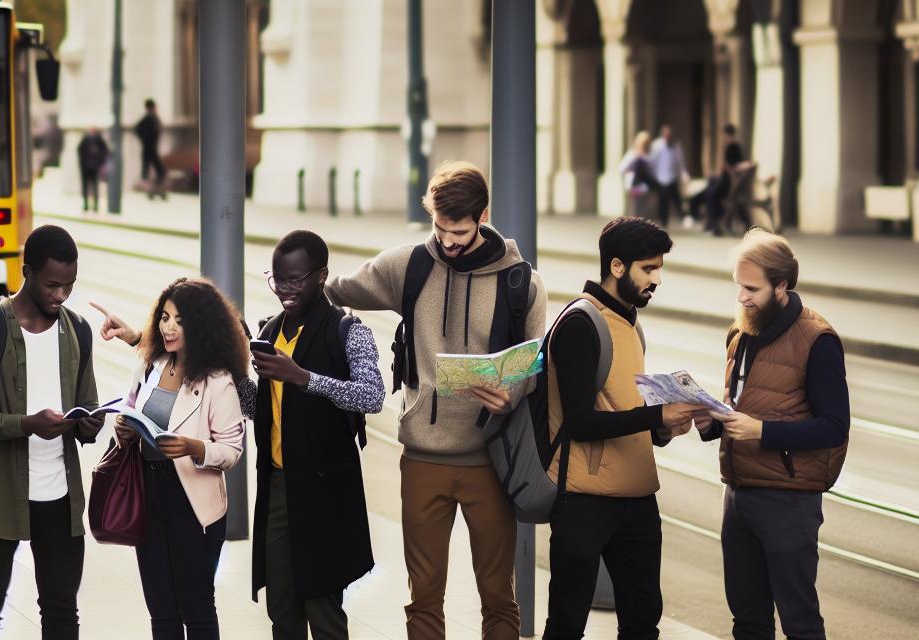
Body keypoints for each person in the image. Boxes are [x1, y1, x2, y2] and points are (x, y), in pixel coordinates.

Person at [325, 160, 546, 640]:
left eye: (459, 232)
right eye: (440, 229)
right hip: (423, 456)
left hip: (490, 457)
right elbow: (332, 289)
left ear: (482, 217)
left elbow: (534, 362)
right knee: (423, 597)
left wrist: (511, 394)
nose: (447, 241)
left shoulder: (520, 282)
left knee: (498, 597)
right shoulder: (411, 264)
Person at [0, 225, 101, 640]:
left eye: (69, 285)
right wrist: (26, 426)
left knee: (62, 613)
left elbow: (88, 405)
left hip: (61, 499)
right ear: (26, 271)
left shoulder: (78, 331)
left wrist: (89, 425)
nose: (61, 295)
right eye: (52, 285)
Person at [544, 217, 700, 639]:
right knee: (567, 621)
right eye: (648, 268)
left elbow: (623, 406)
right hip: (583, 498)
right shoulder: (581, 323)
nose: (658, 279)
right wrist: (655, 417)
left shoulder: (630, 323)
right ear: (617, 267)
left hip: (637, 497)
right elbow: (581, 422)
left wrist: (664, 428)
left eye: (659, 268)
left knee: (643, 619)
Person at [699, 229, 850, 640]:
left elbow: (835, 427)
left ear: (781, 286)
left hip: (789, 500)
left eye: (752, 288)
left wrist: (762, 432)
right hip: (738, 493)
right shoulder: (740, 332)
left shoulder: (817, 340)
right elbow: (744, 403)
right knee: (747, 622)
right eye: (738, 287)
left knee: (799, 622)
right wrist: (712, 420)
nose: (742, 298)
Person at [249, 230, 384, 639]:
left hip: (325, 494)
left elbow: (372, 396)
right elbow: (263, 411)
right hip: (277, 487)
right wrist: (234, 374)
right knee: (283, 610)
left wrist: (303, 378)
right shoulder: (269, 332)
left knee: (323, 611)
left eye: (295, 279)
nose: (285, 290)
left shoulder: (348, 330)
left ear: (321, 276)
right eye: (277, 280)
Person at [112, 277, 248, 640]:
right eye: (165, 317)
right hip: (147, 494)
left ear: (201, 325)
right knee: (162, 612)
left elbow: (232, 450)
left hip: (192, 504)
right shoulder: (150, 364)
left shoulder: (218, 380)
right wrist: (123, 429)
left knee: (197, 608)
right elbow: (129, 406)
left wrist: (194, 447)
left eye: (180, 320)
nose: (168, 327)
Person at [696, 124, 748, 235]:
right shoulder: (735, 146)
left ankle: (714, 224)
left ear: (726, 134)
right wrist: (716, 174)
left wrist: (722, 173)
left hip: (728, 182)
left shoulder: (731, 147)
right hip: (726, 180)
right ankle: (712, 223)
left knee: (710, 194)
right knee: (710, 185)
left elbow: (731, 167)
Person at [647, 125, 687, 229]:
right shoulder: (657, 145)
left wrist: (684, 174)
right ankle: (663, 221)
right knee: (663, 201)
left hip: (672, 176)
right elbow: (652, 161)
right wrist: (653, 175)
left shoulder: (675, 145)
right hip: (660, 177)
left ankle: (683, 217)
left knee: (677, 199)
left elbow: (680, 162)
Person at [136, 99, 168, 198]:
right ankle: (154, 190)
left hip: (152, 149)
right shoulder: (148, 119)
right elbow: (138, 130)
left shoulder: (154, 118)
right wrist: (146, 141)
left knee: (159, 171)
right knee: (157, 171)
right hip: (150, 150)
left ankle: (156, 190)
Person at [617, 131, 654, 217]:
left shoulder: (649, 156)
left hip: (645, 186)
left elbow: (652, 171)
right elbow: (622, 168)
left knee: (643, 211)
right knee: (635, 211)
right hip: (634, 185)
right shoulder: (632, 154)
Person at [77, 127, 110, 212]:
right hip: (87, 167)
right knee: (88, 186)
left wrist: (99, 162)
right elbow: (80, 152)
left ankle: (93, 205)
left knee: (93, 186)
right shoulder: (86, 140)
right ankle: (87, 204)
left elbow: (104, 152)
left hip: (93, 167)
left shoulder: (98, 141)